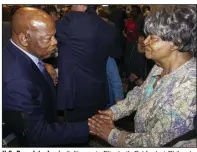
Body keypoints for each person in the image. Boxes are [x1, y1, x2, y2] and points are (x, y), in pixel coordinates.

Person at [88, 5, 196, 147]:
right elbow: (142, 93)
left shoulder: (189, 88)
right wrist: (113, 112)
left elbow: (156, 143)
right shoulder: (159, 67)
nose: (145, 42)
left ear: (177, 43)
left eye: (153, 38)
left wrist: (112, 135)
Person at [3, 7, 89, 146]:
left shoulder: (16, 52)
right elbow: (38, 135)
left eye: (54, 36)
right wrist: (90, 128)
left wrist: (41, 65)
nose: (55, 42)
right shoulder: (17, 82)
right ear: (24, 38)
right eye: (49, 38)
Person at [56, 5, 118, 122]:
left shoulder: (71, 21)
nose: (70, 8)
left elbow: (48, 30)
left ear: (82, 5)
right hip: (98, 90)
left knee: (76, 132)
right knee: (94, 127)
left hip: (77, 94)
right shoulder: (108, 27)